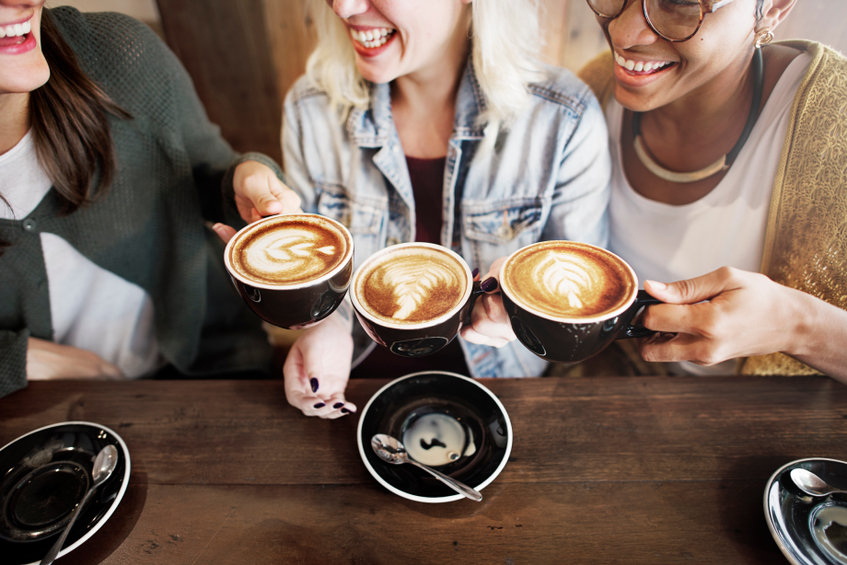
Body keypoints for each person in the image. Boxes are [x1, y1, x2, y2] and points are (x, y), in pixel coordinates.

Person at [242, 0, 611, 418]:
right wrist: (324, 327)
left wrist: (528, 308)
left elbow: (582, 305)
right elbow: (317, 281)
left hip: (503, 397)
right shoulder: (310, 109)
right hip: (358, 385)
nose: (343, 7)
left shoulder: (563, 118)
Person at [468, 0, 847, 381]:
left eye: (679, 2)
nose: (622, 33)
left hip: (765, 427)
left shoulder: (836, 124)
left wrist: (799, 326)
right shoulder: (593, 94)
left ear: (773, 7)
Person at [0, 1, 295, 398]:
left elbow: (207, 173)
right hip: (38, 409)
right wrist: (18, 359)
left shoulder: (118, 51)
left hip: (213, 372)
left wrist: (245, 177)